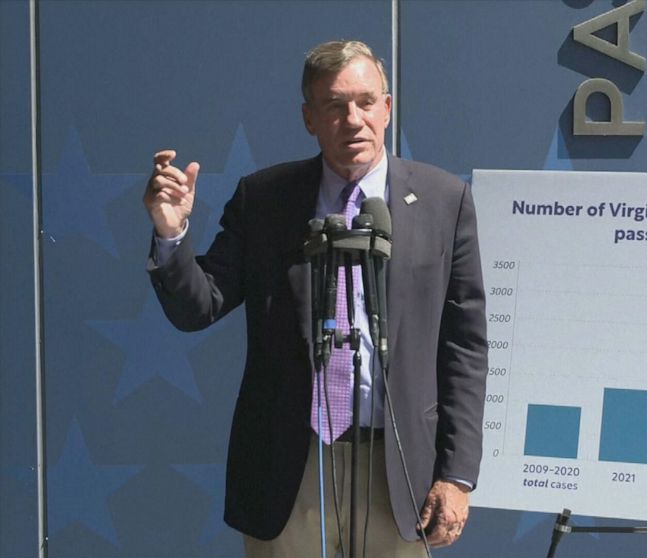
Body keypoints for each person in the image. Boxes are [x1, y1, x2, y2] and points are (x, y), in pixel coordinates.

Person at [143, 40, 488, 557]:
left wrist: (457, 476)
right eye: (335, 106)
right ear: (310, 118)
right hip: (291, 466)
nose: (354, 119)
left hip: (398, 471)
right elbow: (200, 305)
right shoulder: (264, 200)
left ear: (387, 108)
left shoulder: (444, 201)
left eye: (366, 102)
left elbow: (465, 347)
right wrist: (172, 236)